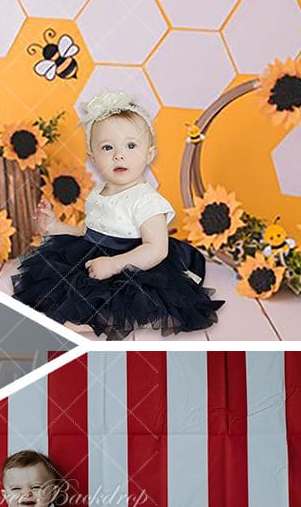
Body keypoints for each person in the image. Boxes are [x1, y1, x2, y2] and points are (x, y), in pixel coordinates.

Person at [12, 90, 222, 340]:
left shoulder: (146, 200)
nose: (118, 155)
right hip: (96, 253)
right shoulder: (98, 191)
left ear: (149, 154)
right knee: (61, 283)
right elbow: (92, 232)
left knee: (123, 294)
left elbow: (156, 250)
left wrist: (114, 264)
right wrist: (58, 227)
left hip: (137, 261)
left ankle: (101, 320)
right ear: (93, 158)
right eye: (107, 147)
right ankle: (83, 312)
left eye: (131, 146)